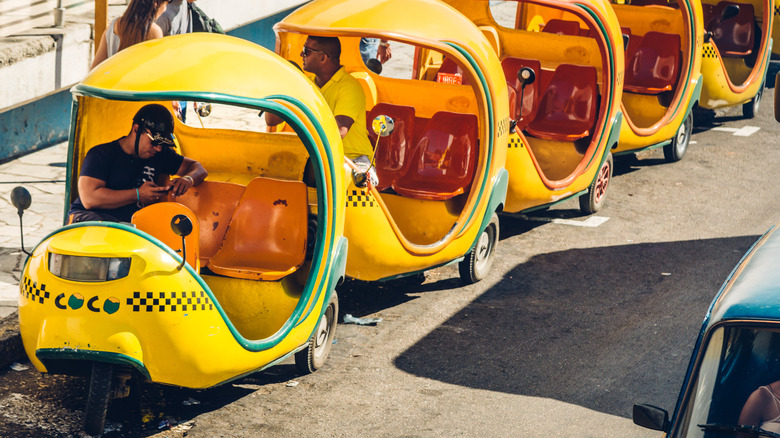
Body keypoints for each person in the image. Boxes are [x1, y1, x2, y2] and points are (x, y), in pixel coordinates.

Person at [67, 104, 207, 223]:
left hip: (134, 227)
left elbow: (198, 168)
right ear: (136, 130)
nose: (158, 148)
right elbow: (89, 199)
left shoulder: (161, 154)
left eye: (162, 144)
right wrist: (138, 195)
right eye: (154, 142)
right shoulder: (101, 154)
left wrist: (188, 179)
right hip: (92, 219)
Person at [266, 36, 373, 161]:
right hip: (320, 157)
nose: (301, 54)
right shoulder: (306, 84)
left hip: (353, 159)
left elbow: (339, 132)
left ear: (323, 57)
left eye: (307, 51)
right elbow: (271, 120)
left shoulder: (350, 87)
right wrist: (284, 83)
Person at [91, 0, 172, 69]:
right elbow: (156, 70)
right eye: (166, 4)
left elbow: (95, 69)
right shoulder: (154, 31)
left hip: (111, 85)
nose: (165, 9)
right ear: (155, 5)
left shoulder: (113, 26)